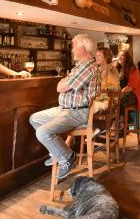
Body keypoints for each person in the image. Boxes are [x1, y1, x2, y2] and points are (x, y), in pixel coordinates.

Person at [29, 34, 99, 180]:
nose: (72, 50)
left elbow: (61, 87)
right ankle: (58, 152)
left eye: (74, 46)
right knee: (35, 118)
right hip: (65, 110)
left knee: (42, 133)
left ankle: (67, 157)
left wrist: (64, 83)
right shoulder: (80, 66)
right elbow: (62, 85)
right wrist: (64, 83)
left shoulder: (88, 67)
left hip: (77, 112)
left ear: (82, 48)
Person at [117, 50, 140, 121]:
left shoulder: (132, 69)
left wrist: (120, 93)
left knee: (118, 102)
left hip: (135, 95)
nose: (120, 57)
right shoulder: (120, 69)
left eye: (122, 55)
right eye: (119, 55)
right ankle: (121, 124)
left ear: (127, 58)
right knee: (114, 102)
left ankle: (121, 124)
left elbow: (130, 87)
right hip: (126, 94)